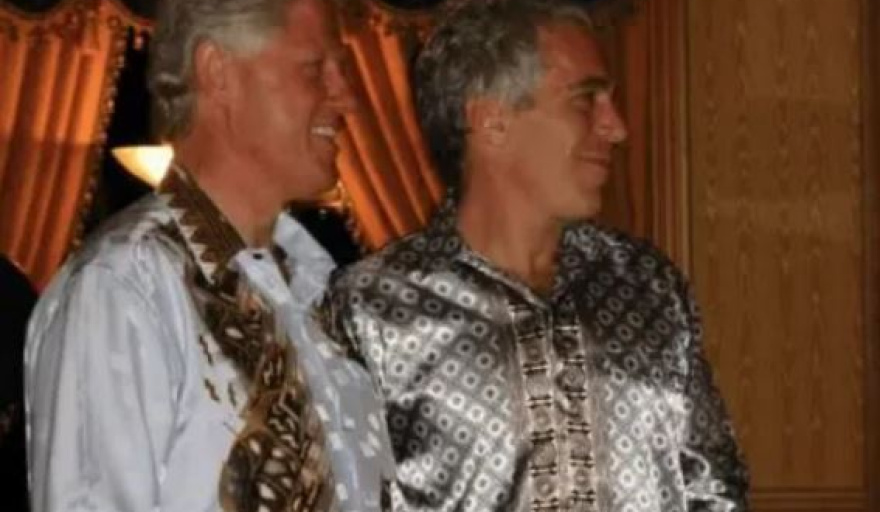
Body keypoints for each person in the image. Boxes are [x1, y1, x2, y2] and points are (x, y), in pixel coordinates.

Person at [320, 0, 749, 510]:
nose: (616, 127)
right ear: (492, 120)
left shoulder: (648, 286)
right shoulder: (371, 308)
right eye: (586, 100)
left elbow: (715, 489)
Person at [25, 0, 392, 511]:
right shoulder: (126, 284)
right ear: (217, 71)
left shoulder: (315, 290)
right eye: (314, 69)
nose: (346, 96)